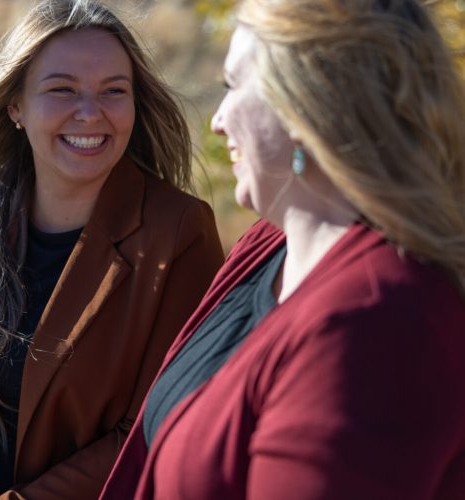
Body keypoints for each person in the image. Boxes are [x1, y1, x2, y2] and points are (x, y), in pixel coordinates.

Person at [100, 0, 465, 498]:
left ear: (303, 103)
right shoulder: (268, 245)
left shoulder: (376, 321)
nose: (218, 121)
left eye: (232, 85)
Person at [0, 0, 224, 498]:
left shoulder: (178, 233)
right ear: (15, 106)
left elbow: (156, 427)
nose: (90, 113)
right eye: (62, 89)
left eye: (114, 91)